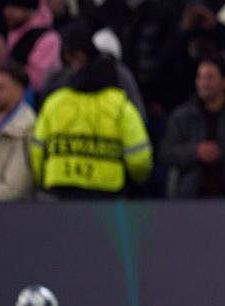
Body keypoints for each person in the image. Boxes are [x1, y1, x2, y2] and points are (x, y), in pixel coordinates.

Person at [30, 32, 152, 198]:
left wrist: (42, 181)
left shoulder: (55, 103)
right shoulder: (120, 106)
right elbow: (139, 159)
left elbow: (36, 151)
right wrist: (137, 182)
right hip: (107, 195)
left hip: (59, 192)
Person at [0, 64, 35, 201]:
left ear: (19, 91)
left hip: (5, 216)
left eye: (0, 88)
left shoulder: (27, 129)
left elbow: (14, 188)